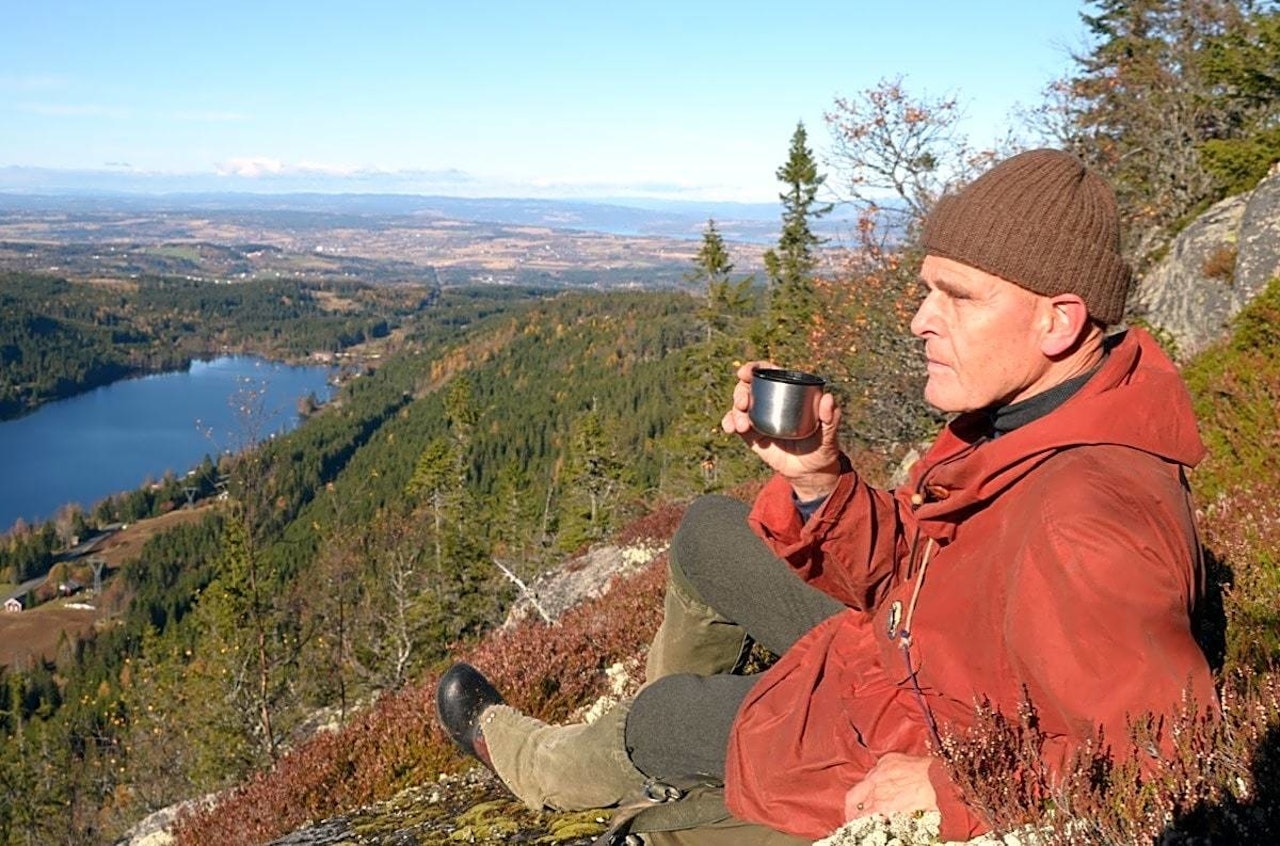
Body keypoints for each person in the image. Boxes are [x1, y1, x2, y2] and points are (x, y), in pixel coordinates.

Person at [435, 149, 1217, 845]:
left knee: (664, 717)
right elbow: (930, 568)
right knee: (709, 530)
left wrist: (948, 788)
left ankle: (536, 762)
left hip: (911, 722)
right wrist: (818, 480)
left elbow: (1159, 753)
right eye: (925, 291)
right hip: (909, 649)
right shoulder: (1027, 417)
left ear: (1058, 320)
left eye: (958, 297)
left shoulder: (1087, 515)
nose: (920, 320)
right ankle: (673, 768)